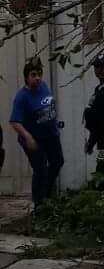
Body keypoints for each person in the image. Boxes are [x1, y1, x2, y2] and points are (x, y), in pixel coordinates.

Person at [10, 58, 64, 207]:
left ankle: (46, 194)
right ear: (27, 77)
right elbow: (14, 121)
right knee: (40, 169)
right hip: (34, 139)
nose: (38, 78)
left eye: (40, 74)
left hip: (51, 135)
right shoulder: (22, 97)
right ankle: (39, 203)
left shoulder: (44, 86)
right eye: (34, 75)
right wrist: (27, 137)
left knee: (58, 161)